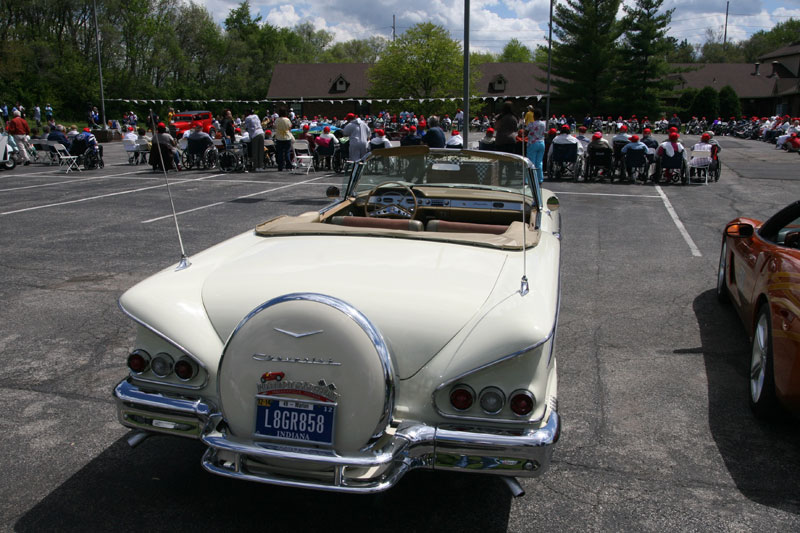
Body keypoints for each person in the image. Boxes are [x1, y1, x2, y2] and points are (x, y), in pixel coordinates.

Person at [525, 107, 546, 183]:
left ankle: (530, 179)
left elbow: (526, 133)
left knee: (531, 162)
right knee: (539, 162)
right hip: (541, 142)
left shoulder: (531, 124)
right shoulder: (544, 124)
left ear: (534, 115)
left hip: (533, 143)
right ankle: (540, 179)